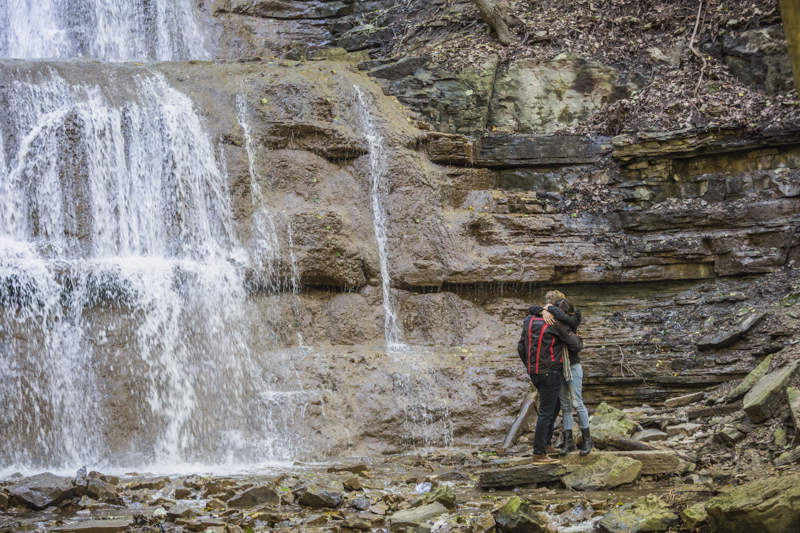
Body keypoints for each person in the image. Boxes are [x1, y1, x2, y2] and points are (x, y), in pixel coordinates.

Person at [517, 297, 584, 464]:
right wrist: (577, 338)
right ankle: (538, 453)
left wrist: (529, 365)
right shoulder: (555, 323)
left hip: (534, 372)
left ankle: (546, 444)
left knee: (554, 407)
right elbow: (575, 345)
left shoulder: (528, 320)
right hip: (550, 372)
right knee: (547, 412)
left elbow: (520, 346)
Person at [539, 298, 593, 456]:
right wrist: (543, 310)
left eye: (562, 313)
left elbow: (567, 320)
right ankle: (568, 442)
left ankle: (588, 440)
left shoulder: (573, 320)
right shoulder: (555, 324)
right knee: (565, 405)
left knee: (577, 402)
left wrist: (549, 308)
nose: (559, 317)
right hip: (559, 367)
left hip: (573, 366)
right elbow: (532, 308)